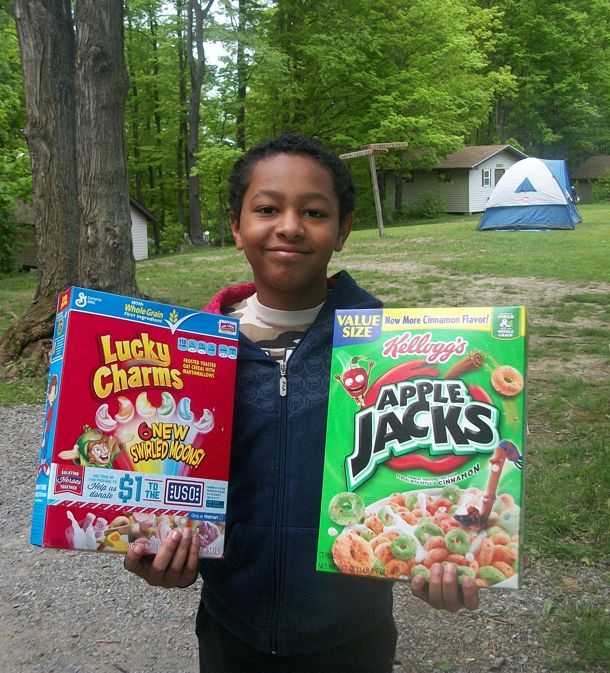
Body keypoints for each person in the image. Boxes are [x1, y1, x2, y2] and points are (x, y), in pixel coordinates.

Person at [124, 133, 479, 673]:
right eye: (267, 209)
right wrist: (157, 551)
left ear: (343, 229)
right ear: (236, 227)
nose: (290, 226)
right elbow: (165, 485)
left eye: (314, 212)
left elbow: (421, 482)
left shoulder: (387, 351)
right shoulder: (190, 356)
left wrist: (447, 561)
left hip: (352, 638)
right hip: (232, 630)